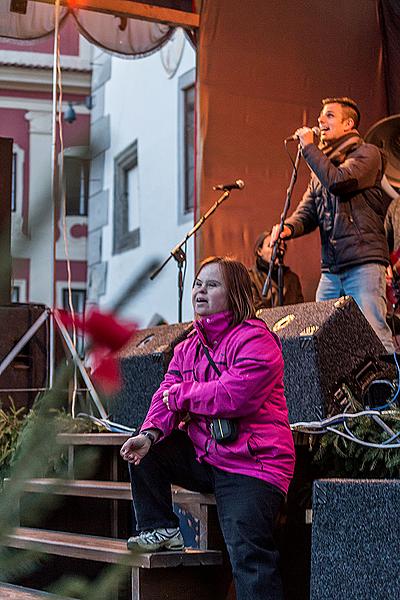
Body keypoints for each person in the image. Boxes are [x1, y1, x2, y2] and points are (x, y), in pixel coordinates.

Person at [120, 256, 295, 600]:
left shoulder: (257, 340)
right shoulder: (187, 347)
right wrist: (150, 433)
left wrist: (180, 396)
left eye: (212, 284)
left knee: (248, 556)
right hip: (210, 456)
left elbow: (233, 395)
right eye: (198, 283)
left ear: (236, 295)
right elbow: (164, 396)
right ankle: (160, 528)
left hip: (254, 463)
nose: (200, 290)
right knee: (146, 450)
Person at [271, 96, 394, 353]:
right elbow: (307, 212)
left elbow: (339, 182)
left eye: (329, 116)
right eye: (321, 115)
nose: (320, 121)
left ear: (348, 123)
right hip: (331, 269)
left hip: (364, 264)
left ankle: (388, 392)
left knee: (372, 331)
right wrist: (288, 227)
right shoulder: (322, 168)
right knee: (323, 336)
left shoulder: (368, 154)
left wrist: (308, 148)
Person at [248, 229, 304, 309]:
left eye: (282, 246)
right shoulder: (250, 277)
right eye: (272, 246)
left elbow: (300, 309)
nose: (278, 250)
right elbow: (254, 308)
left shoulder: (293, 279)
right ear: (259, 251)